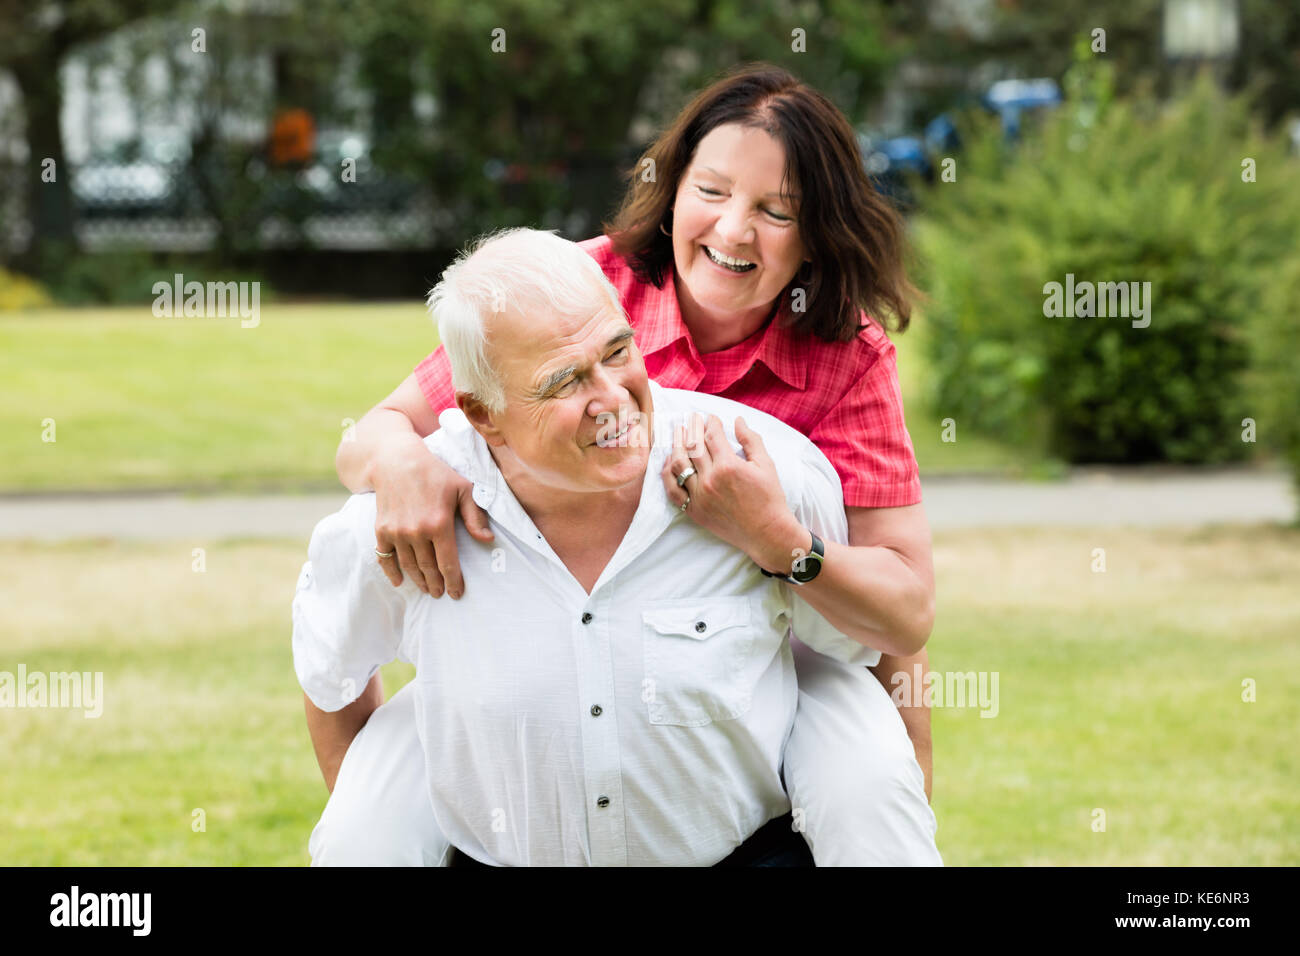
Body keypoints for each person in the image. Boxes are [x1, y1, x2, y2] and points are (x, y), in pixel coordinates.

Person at [336, 62, 939, 826]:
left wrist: (775, 538)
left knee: (872, 795)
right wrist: (402, 463)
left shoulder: (846, 355)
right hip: (556, 646)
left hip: (783, 658)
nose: (733, 229)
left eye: (776, 211)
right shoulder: (581, 290)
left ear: (819, 234)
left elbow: (903, 614)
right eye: (712, 192)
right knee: (372, 819)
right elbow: (371, 435)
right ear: (675, 188)